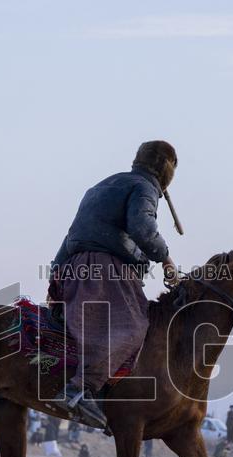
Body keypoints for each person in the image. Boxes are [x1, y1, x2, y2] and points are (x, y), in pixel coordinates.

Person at [48, 140, 180, 429]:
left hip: (76, 267)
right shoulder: (144, 189)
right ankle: (79, 390)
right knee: (132, 327)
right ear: (166, 170)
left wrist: (55, 276)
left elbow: (72, 235)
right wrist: (167, 259)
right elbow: (143, 229)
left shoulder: (99, 187)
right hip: (104, 269)